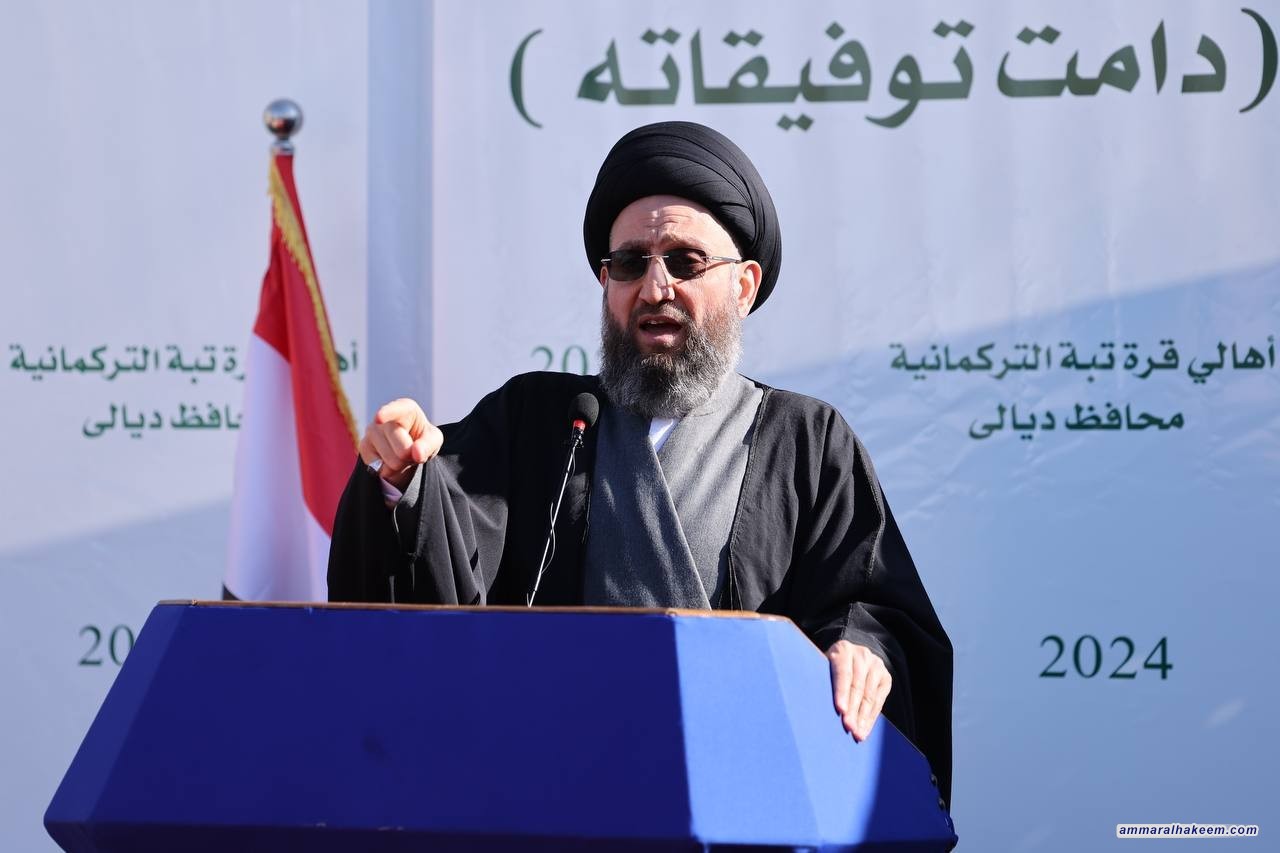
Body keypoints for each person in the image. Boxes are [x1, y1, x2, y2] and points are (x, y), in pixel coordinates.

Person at [328, 121, 953, 803]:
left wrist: (864, 646)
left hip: (740, 802)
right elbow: (441, 560)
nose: (655, 287)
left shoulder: (807, 441)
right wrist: (403, 478)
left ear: (744, 285)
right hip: (548, 798)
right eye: (630, 264)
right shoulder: (538, 419)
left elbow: (874, 605)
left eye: (685, 261)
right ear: (607, 281)